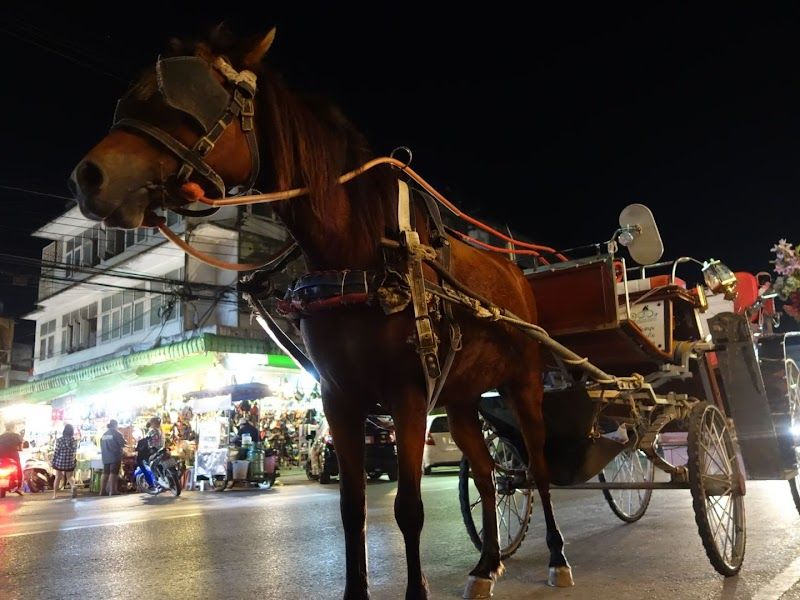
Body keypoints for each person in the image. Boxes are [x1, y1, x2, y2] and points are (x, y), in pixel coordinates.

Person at [99, 420, 126, 496]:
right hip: (115, 456)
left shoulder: (104, 434)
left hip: (105, 456)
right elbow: (123, 444)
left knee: (105, 473)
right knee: (113, 473)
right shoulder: (117, 433)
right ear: (115, 425)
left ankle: (102, 491)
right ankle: (113, 490)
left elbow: (101, 445)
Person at [52, 424, 77, 499]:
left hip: (60, 461)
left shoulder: (59, 440)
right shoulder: (74, 441)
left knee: (58, 477)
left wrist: (53, 460)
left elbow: (56, 451)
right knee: (70, 477)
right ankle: (73, 486)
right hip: (69, 461)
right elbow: (74, 451)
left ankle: (55, 494)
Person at [0, 425, 24, 495]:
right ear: (12, 428)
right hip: (12, 454)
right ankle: (19, 486)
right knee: (19, 467)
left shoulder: (1, 436)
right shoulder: (16, 435)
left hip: (1, 454)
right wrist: (20, 449)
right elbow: (21, 445)